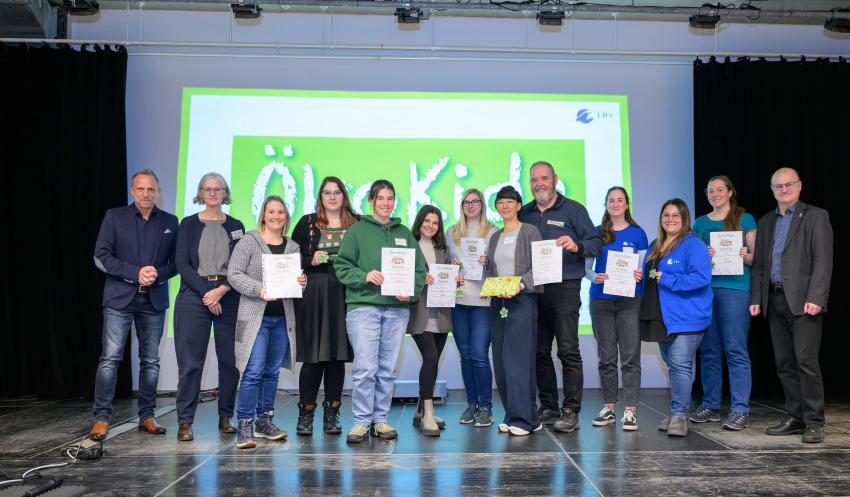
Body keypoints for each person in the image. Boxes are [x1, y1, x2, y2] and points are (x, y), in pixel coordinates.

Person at [88, 169, 179, 441]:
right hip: (119, 298)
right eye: (141, 189)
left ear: (158, 192)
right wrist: (134, 272)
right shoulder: (115, 217)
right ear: (132, 191)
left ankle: (147, 416)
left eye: (151, 189)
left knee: (150, 361)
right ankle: (101, 419)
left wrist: (158, 274)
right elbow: (101, 256)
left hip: (154, 299)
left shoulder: (170, 221)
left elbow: (177, 262)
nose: (146, 194)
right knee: (110, 359)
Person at [334, 180, 427, 443]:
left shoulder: (405, 233)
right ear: (371, 201)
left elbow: (419, 270)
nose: (386, 203)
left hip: (397, 310)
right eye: (381, 198)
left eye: (390, 198)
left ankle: (380, 421)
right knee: (365, 368)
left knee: (387, 369)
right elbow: (342, 267)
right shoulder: (357, 231)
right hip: (364, 308)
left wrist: (411, 291)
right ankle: (362, 422)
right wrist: (365, 276)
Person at [750, 167, 833, 444]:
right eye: (778, 186)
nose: (784, 190)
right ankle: (794, 416)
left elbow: (823, 260)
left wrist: (817, 297)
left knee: (806, 362)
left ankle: (814, 422)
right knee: (785, 363)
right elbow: (760, 265)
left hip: (804, 302)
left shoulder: (816, 216)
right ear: (772, 190)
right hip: (774, 300)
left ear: (800, 186)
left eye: (789, 185)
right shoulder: (765, 222)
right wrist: (756, 299)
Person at [518, 161, 601, 433]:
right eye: (534, 180)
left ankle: (571, 409)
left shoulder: (574, 209)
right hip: (533, 289)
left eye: (544, 178)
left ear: (555, 179)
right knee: (539, 351)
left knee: (567, 349)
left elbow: (596, 243)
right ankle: (549, 406)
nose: (539, 184)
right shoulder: (525, 213)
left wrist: (576, 245)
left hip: (565, 288)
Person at [227, 195, 306, 449]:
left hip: (282, 319)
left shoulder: (292, 247)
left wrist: (301, 282)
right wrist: (259, 289)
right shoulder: (250, 241)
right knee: (253, 371)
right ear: (263, 214)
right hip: (255, 319)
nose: (276, 216)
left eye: (280, 212)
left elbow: (293, 281)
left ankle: (264, 421)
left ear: (286, 216)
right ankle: (245, 424)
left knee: (272, 372)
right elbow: (233, 274)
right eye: (271, 212)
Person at [174, 173, 245, 442]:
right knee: (191, 363)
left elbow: (240, 266)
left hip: (228, 294)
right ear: (200, 193)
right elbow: (181, 263)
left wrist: (221, 290)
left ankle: (226, 416)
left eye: (218, 189)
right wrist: (207, 294)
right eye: (208, 188)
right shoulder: (189, 224)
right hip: (194, 296)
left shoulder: (237, 225)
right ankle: (185, 422)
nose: (213, 193)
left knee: (229, 361)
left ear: (225, 193)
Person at [290, 177, 358, 436]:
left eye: (337, 192)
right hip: (314, 295)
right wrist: (310, 258)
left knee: (337, 356)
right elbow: (290, 257)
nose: (332, 197)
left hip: (345, 292)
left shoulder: (357, 223)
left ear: (344, 195)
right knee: (313, 357)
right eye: (327, 193)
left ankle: (333, 414)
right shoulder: (307, 222)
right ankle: (305, 415)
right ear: (320, 196)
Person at [640, 198, 712, 437]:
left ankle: (680, 416)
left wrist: (668, 278)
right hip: (660, 316)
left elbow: (701, 278)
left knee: (680, 364)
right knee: (673, 366)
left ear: (684, 219)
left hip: (687, 317)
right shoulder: (655, 245)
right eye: (666, 215)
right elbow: (652, 276)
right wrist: (640, 276)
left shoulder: (694, 245)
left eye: (675, 216)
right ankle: (677, 412)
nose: (670, 220)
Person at [690, 176, 757, 431]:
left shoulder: (745, 218)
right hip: (706, 291)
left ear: (730, 191)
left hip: (736, 290)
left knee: (735, 350)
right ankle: (710, 406)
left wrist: (745, 255)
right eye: (710, 191)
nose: (715, 194)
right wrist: (702, 255)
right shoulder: (700, 222)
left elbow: (755, 258)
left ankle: (740, 410)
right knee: (709, 351)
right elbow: (693, 261)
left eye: (720, 189)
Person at [584, 187, 648, 431]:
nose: (616, 204)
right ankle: (609, 407)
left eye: (620, 200)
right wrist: (595, 277)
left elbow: (641, 268)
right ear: (606, 204)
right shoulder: (597, 233)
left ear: (627, 203)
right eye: (611, 200)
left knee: (630, 356)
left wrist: (639, 273)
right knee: (607, 357)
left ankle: (630, 411)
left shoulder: (638, 233)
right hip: (601, 300)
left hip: (629, 300)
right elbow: (586, 269)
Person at [486, 186, 543, 436]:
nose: (505, 206)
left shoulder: (530, 231)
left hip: (522, 301)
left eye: (510, 201)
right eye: (501, 202)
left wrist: (520, 284)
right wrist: (492, 285)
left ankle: (525, 420)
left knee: (518, 360)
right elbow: (491, 271)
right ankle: (513, 414)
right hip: (499, 302)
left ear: (519, 205)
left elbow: (542, 268)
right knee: (500, 360)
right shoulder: (495, 237)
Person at [445, 188, 499, 427]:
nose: (470, 205)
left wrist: (489, 263)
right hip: (458, 302)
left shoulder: (494, 232)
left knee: (479, 355)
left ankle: (486, 407)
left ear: (482, 205)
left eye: (475, 201)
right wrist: (451, 265)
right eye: (466, 202)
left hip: (483, 302)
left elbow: (503, 265)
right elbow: (444, 264)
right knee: (465, 356)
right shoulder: (451, 232)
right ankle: (472, 404)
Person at [407, 205, 461, 437]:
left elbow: (447, 278)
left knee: (433, 362)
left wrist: (455, 275)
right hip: (419, 313)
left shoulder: (442, 249)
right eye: (427, 221)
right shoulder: (408, 246)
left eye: (435, 222)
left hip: (441, 313)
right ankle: (428, 412)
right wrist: (419, 278)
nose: (430, 226)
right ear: (419, 221)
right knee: (429, 358)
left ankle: (421, 411)